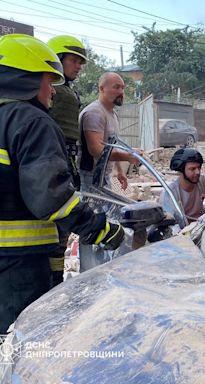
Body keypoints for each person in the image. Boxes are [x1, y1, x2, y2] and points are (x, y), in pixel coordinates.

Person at [0, 34, 124, 334]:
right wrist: (101, 229)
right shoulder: (32, 121)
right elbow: (51, 196)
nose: (52, 92)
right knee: (29, 340)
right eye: (48, 81)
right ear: (26, 79)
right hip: (23, 261)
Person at [47, 35, 87, 287]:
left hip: (67, 165)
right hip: (55, 166)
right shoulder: (57, 93)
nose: (78, 66)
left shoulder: (67, 91)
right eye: (74, 60)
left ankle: (55, 281)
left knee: (60, 238)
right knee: (54, 236)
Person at [79, 72, 139, 192]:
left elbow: (112, 144)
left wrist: (120, 171)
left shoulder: (113, 114)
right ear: (102, 89)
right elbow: (96, 150)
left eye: (122, 88)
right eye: (116, 87)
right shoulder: (94, 113)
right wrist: (127, 156)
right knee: (92, 210)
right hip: (90, 177)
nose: (121, 92)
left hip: (104, 175)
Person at [160, 148, 205, 223]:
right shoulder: (170, 192)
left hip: (201, 223)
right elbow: (169, 220)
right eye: (192, 169)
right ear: (181, 170)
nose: (198, 172)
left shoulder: (204, 181)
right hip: (182, 229)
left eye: (199, 168)